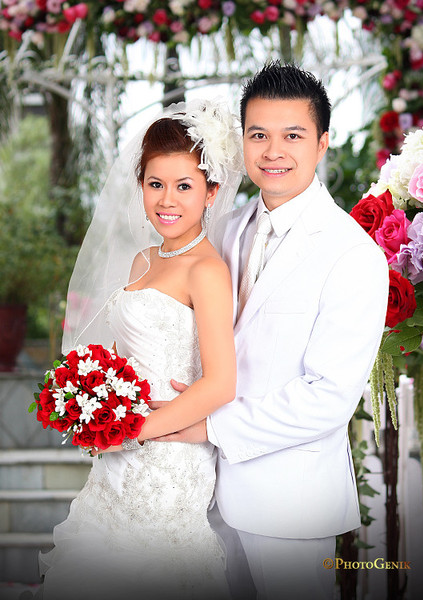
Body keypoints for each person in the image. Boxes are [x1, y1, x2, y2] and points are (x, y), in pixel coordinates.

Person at [151, 62, 390, 599]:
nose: (273, 151)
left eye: (293, 136)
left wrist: (210, 426)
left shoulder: (352, 254)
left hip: (290, 503)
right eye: (258, 135)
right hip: (203, 491)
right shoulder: (225, 229)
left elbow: (328, 398)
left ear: (322, 142)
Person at [36, 99, 244, 600]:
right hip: (117, 456)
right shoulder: (143, 260)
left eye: (184, 186)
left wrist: (133, 432)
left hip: (168, 457)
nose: (167, 200)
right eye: (155, 184)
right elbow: (121, 360)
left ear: (212, 192)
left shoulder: (207, 271)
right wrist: (93, 406)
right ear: (141, 186)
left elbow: (221, 383)